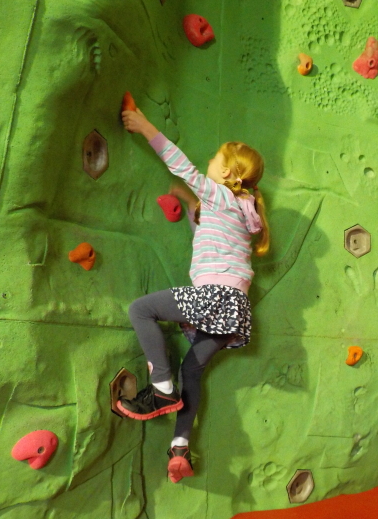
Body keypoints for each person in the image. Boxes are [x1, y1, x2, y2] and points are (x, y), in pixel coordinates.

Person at [118, 106, 270, 483]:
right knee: (194, 370)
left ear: (228, 173)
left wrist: (142, 124)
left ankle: (162, 388)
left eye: (215, 161)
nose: (208, 165)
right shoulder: (243, 209)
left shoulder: (219, 194)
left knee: (140, 310)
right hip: (235, 307)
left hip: (214, 295)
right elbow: (210, 237)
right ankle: (180, 446)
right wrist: (190, 205)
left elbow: (179, 164)